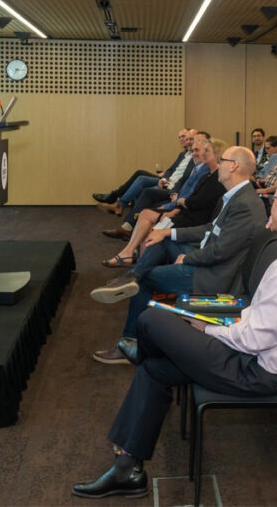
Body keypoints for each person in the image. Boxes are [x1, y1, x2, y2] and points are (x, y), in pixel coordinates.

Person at [72, 175, 277, 499]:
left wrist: (208, 328)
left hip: (255, 371)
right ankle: (127, 470)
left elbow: (256, 339)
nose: (269, 205)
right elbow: (265, 321)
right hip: (258, 353)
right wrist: (210, 327)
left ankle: (139, 350)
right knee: (155, 369)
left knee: (152, 318)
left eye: (274, 202)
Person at [88, 146, 267, 364]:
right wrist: (167, 231)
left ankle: (130, 344)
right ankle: (131, 276)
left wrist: (188, 258)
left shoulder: (245, 204)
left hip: (215, 276)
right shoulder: (235, 196)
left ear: (234, 166)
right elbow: (210, 229)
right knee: (162, 240)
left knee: (148, 279)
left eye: (223, 160)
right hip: (208, 260)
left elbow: (221, 251)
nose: (218, 164)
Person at [101, 138, 227, 267]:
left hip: (193, 219)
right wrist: (177, 205)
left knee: (152, 225)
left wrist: (179, 204)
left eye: (205, 151)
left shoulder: (213, 176)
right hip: (185, 210)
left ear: (217, 155)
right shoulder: (207, 174)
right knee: (147, 211)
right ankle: (134, 260)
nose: (200, 153)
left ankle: (139, 268)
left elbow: (195, 202)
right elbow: (187, 192)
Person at [92, 129, 191, 205]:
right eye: (179, 137)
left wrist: (166, 177)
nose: (182, 139)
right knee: (139, 173)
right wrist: (164, 175)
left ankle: (116, 198)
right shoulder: (182, 154)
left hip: (171, 182)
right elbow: (171, 169)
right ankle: (115, 196)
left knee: (141, 178)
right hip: (167, 178)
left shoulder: (192, 156)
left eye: (184, 136)